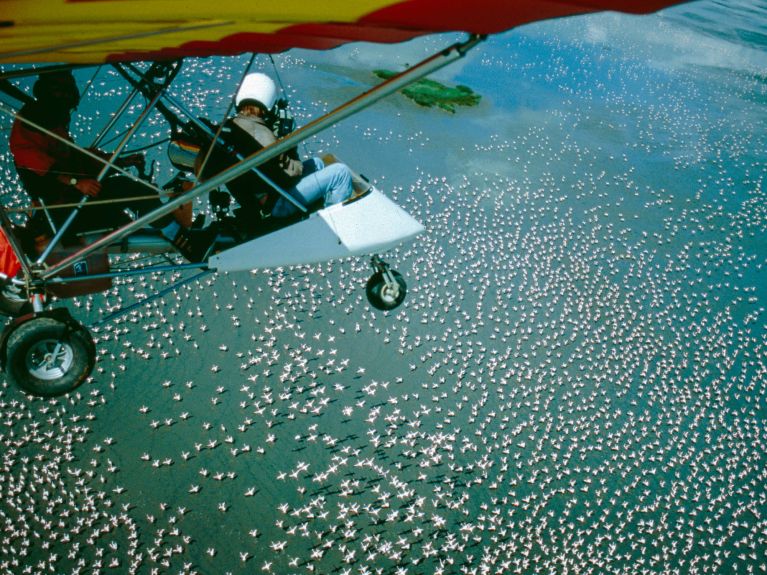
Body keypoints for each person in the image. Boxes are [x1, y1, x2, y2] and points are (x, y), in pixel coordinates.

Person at [9, 71, 210, 260]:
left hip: (75, 202)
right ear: (48, 95)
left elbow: (79, 158)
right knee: (129, 193)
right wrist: (76, 182)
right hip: (62, 213)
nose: (66, 113)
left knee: (130, 191)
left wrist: (119, 161)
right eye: (60, 95)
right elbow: (41, 169)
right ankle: (183, 240)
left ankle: (177, 227)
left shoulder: (52, 125)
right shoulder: (31, 125)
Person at [202, 72, 353, 227]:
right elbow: (294, 172)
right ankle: (333, 228)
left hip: (257, 194)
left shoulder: (230, 127)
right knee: (340, 173)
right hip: (275, 204)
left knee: (317, 164)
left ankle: (317, 212)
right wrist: (288, 141)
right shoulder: (263, 136)